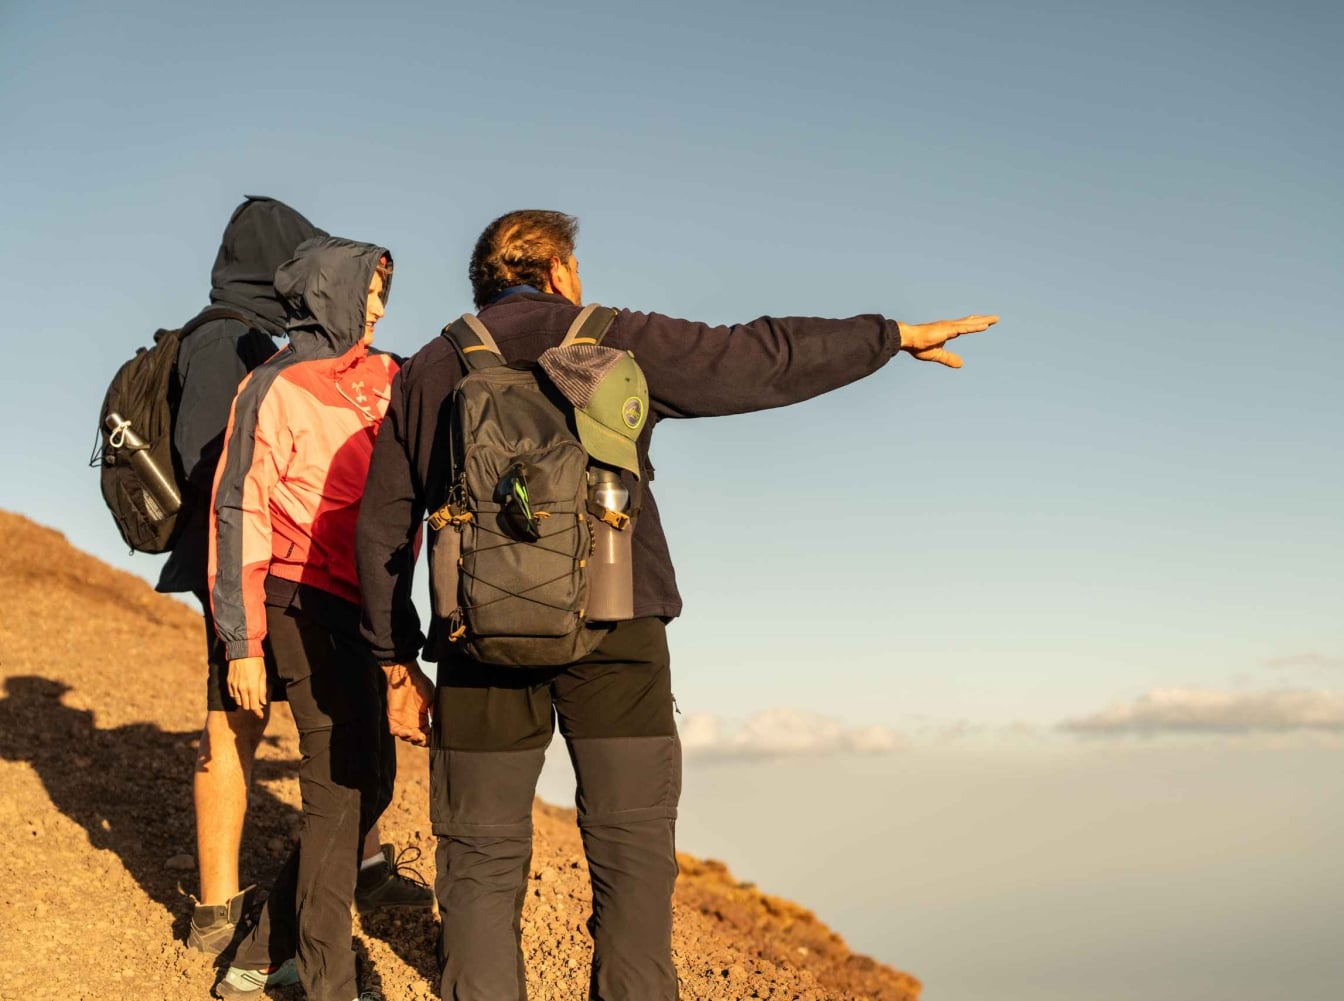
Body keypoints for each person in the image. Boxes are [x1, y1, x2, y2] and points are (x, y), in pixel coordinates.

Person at [355, 209, 995, 1001]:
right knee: (631, 850)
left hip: (478, 639)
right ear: (557, 271)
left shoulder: (432, 366)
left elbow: (382, 527)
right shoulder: (613, 340)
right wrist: (888, 336)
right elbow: (756, 357)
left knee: (480, 861)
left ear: (485, 282)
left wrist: (395, 660)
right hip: (618, 625)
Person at [163, 198, 428, 957]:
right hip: (251, 575)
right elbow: (226, 486)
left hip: (298, 577)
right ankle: (219, 913)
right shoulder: (224, 342)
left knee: (339, 738)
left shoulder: (289, 346)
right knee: (234, 726)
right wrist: (241, 625)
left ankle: (355, 869)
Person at [209, 236, 411, 1001]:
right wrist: (242, 641)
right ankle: (330, 982)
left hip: (365, 605)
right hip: (296, 596)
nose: (380, 305)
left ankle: (264, 950)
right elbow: (238, 509)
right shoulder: (275, 384)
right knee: (337, 782)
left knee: (374, 778)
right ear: (337, 290)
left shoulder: (389, 376)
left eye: (384, 291)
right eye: (372, 290)